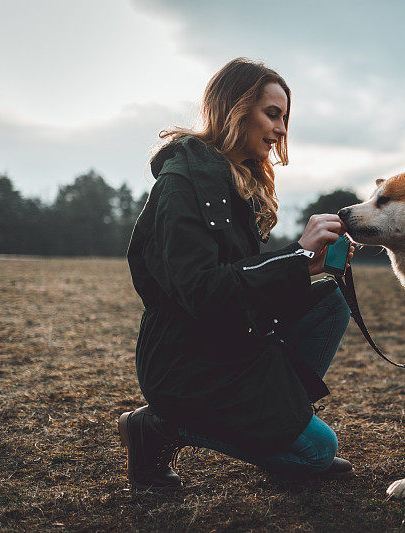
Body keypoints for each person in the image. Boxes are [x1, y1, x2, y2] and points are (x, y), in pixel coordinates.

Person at [119, 58, 355, 489]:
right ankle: (158, 427)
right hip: (185, 363)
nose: (282, 129)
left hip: (227, 345)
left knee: (328, 303)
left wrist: (310, 265)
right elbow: (204, 290)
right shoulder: (182, 184)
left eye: (285, 118)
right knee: (317, 452)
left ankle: (281, 426)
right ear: (235, 109)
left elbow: (243, 283)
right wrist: (296, 255)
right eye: (272, 114)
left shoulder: (234, 180)